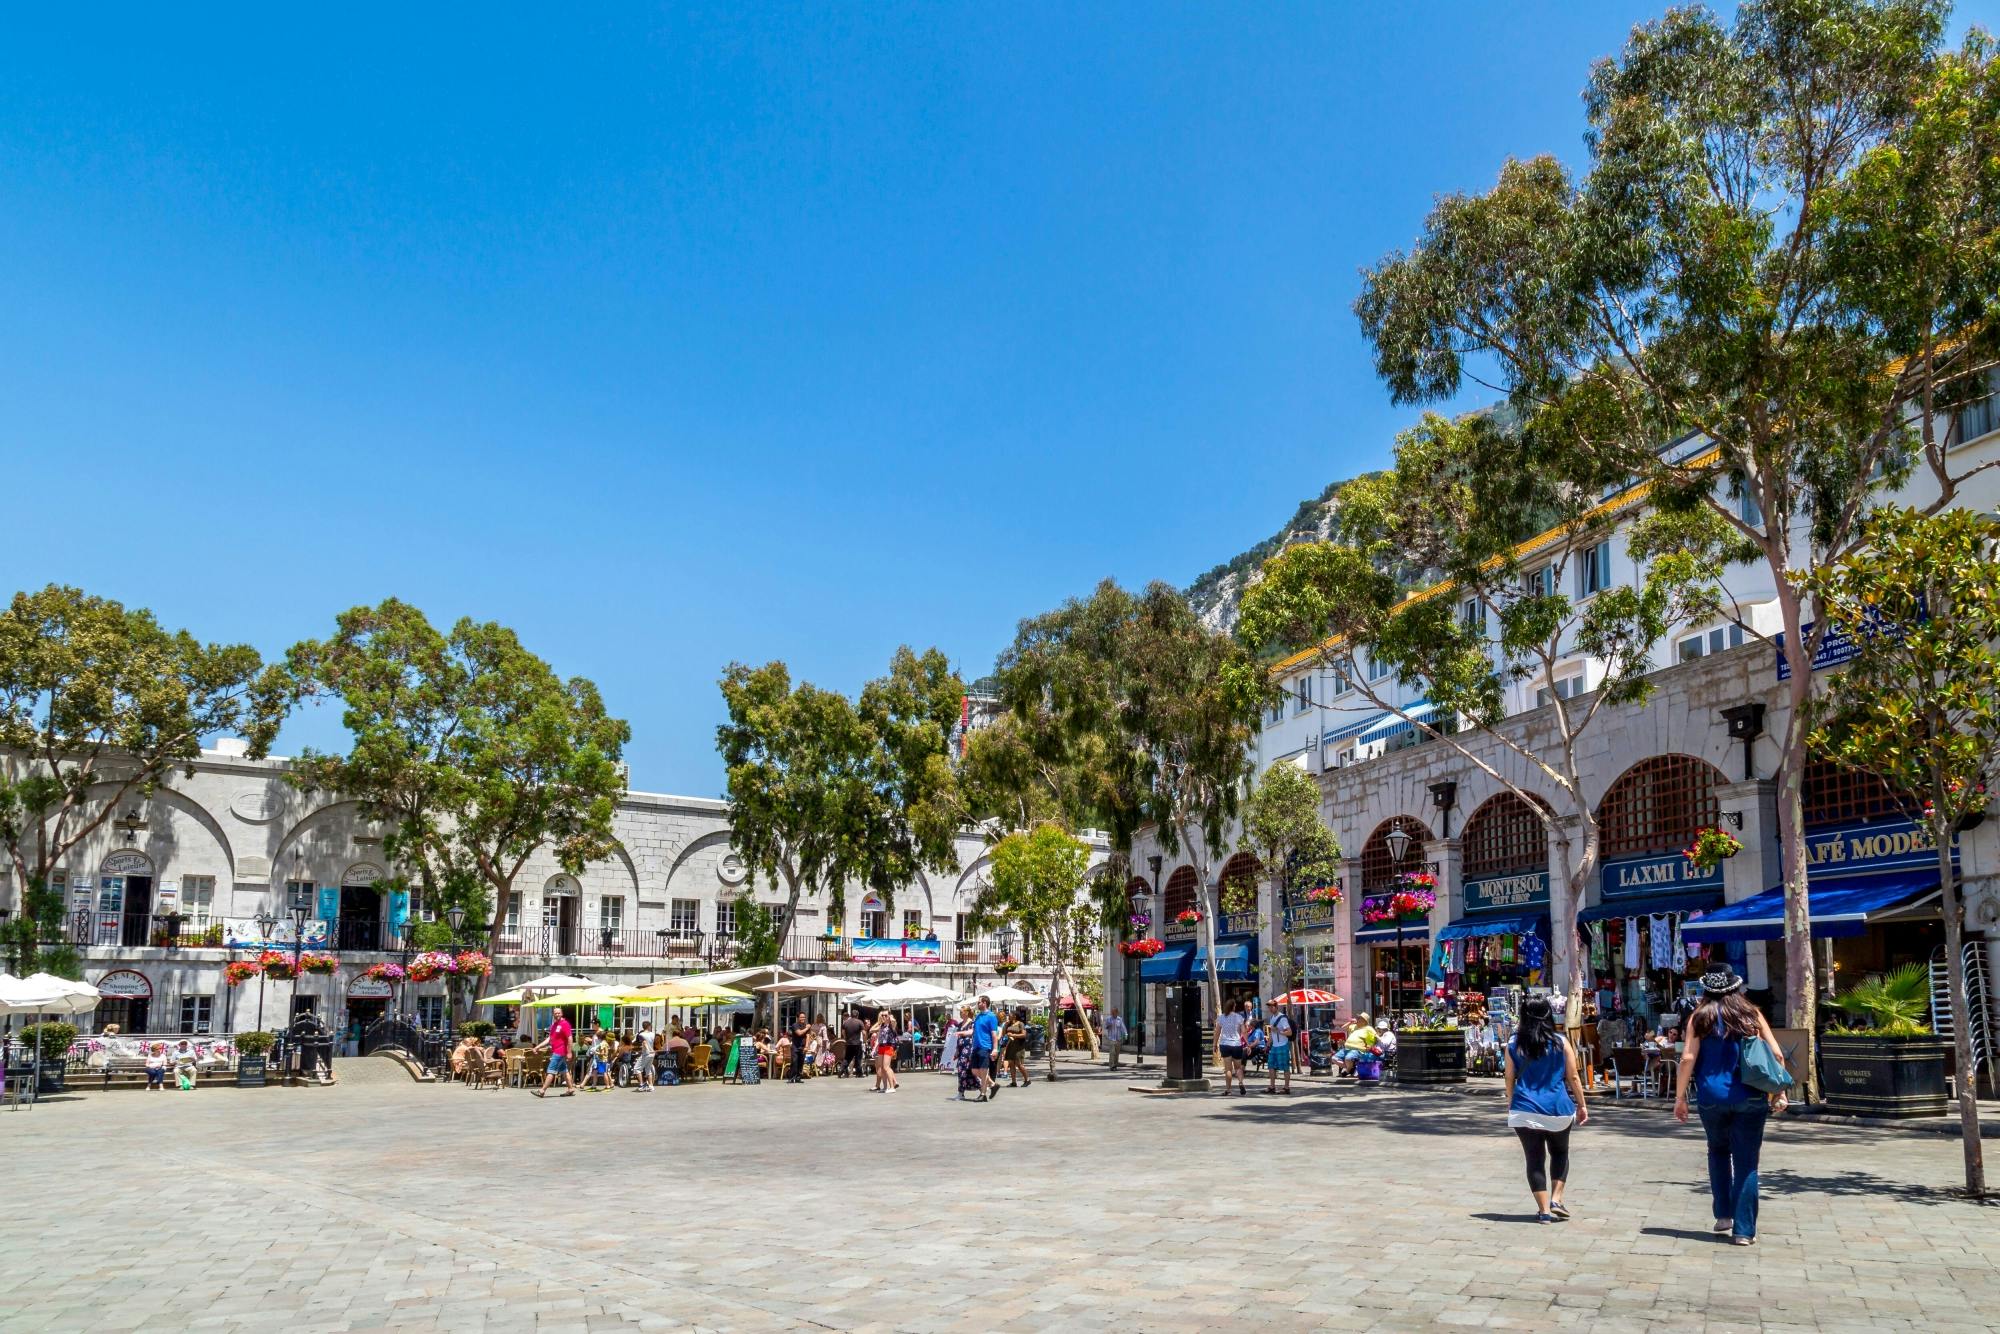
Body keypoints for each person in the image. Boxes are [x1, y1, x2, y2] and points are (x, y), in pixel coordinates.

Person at [1675, 966, 1788, 1246]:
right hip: (1750, 1095)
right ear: (1735, 987)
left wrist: (1680, 1098)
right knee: (1747, 1162)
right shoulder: (1751, 1014)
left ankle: (1723, 1215)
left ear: (1706, 989)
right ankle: (1744, 1231)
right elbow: (1776, 1053)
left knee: (1717, 1151)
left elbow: (1688, 1058)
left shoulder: (1699, 1017)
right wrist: (1779, 1092)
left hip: (1711, 1097)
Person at [1504, 995, 1588, 1224]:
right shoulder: (1561, 1042)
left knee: (1534, 1158)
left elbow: (1509, 1077)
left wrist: (1510, 1100)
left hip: (1524, 1109)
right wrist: (1582, 1105)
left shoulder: (1513, 1043)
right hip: (1557, 1108)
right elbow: (1573, 1076)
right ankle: (1556, 1199)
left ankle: (1543, 1211)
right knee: (1560, 1153)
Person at [536, 1012, 576, 1097]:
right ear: (553, 1015)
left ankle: (542, 1090)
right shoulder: (554, 1025)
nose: (557, 1014)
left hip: (560, 1052)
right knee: (564, 1071)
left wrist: (569, 1052)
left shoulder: (565, 1024)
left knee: (551, 1070)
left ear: (562, 1014)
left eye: (558, 1013)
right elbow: (549, 1039)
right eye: (555, 1013)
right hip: (557, 1051)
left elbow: (570, 1038)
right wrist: (538, 1047)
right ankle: (570, 1089)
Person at [1215, 998, 1250, 1095]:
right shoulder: (1239, 1018)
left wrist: (1214, 1044)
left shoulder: (1221, 1017)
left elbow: (1217, 1032)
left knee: (1228, 1069)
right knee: (1238, 1068)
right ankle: (1241, 1082)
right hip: (1236, 1044)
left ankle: (1228, 1090)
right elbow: (1243, 1032)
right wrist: (1248, 1044)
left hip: (1225, 1044)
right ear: (1233, 1007)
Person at [970, 996, 1000, 1103]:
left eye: (979, 1002)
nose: (978, 1004)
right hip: (976, 1046)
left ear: (984, 1003)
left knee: (983, 1071)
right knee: (974, 1070)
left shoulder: (991, 1016)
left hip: (985, 1046)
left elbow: (994, 1034)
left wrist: (995, 1049)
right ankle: (993, 1084)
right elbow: (974, 1031)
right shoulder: (978, 1016)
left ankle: (983, 1095)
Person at [1335, 1013, 1379, 1077]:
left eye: (1359, 1018)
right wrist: (1350, 1022)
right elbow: (1343, 1028)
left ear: (1364, 1021)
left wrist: (1371, 1045)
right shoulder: (1354, 1026)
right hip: (1349, 1046)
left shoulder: (1367, 1028)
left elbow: (1373, 1037)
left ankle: (1349, 1069)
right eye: (1357, 1018)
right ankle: (1350, 1068)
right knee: (1336, 1058)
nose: (1357, 1019)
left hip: (1358, 1048)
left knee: (1349, 1058)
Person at [1265, 1009, 1294, 1095]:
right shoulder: (1272, 1017)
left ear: (1276, 1007)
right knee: (1270, 1065)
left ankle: (1286, 1088)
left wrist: (1279, 1031)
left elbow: (1289, 1032)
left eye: (1271, 1006)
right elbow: (1271, 1033)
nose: (1270, 1008)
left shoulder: (1282, 1018)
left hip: (1283, 1045)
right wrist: (1268, 1043)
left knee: (1285, 1067)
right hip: (1274, 1046)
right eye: (1269, 1006)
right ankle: (1272, 1087)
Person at [872, 1010, 900, 1093]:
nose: (883, 1016)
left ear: (889, 1016)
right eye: (882, 1015)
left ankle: (892, 1087)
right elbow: (871, 1030)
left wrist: (890, 1018)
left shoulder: (891, 1025)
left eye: (885, 1015)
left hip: (889, 1046)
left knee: (886, 1067)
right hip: (881, 1046)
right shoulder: (882, 1025)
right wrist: (879, 1021)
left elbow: (894, 1022)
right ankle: (885, 1087)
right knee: (882, 1068)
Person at [1003, 1007, 1030, 1088]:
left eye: (1010, 1014)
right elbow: (1004, 1033)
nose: (1008, 1015)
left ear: (1015, 1016)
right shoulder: (1009, 1024)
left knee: (1019, 1064)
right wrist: (1005, 1025)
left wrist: (1013, 1035)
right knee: (1011, 1064)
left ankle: (1027, 1080)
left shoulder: (1020, 1024)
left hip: (1019, 1046)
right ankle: (1013, 1082)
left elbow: (1024, 1035)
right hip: (1010, 1045)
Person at [840, 1010, 867, 1079]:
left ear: (851, 1015)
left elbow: (843, 1032)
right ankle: (859, 1073)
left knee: (847, 1058)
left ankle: (841, 1070)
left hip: (849, 1043)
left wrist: (846, 1038)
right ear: (857, 1015)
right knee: (858, 1059)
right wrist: (864, 1041)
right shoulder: (859, 1022)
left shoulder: (845, 1022)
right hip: (857, 1043)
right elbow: (864, 1033)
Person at [633, 1022, 658, 1091]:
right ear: (649, 1026)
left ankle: (641, 1085)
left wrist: (648, 1049)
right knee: (648, 1069)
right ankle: (651, 1086)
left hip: (646, 1053)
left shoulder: (641, 1034)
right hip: (652, 1054)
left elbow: (644, 1042)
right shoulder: (653, 1034)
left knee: (636, 1069)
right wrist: (651, 1050)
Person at [789, 1012, 812, 1085]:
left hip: (802, 1047)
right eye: (801, 1017)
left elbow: (808, 1036)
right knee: (794, 1062)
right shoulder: (795, 1025)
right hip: (795, 1046)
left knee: (801, 1063)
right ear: (798, 1018)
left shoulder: (806, 1026)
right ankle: (792, 1078)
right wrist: (807, 1028)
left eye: (804, 1017)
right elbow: (799, 1033)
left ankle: (798, 1078)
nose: (803, 1019)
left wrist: (807, 1046)